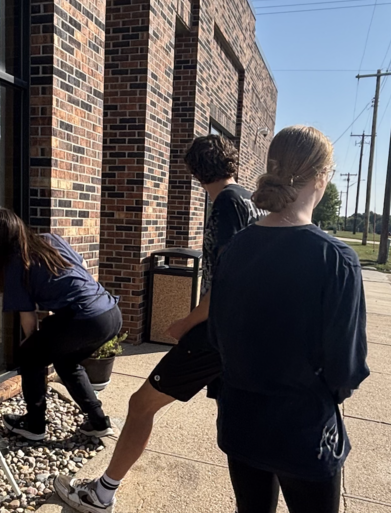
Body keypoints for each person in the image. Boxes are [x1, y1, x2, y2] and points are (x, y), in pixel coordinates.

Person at [55, 134, 263, 513]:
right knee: (239, 427)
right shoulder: (248, 198)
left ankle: (101, 494)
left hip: (218, 333)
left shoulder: (228, 204)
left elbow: (229, 280)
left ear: (195, 171)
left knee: (141, 404)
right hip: (241, 336)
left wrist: (187, 321)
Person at [210, 125, 369, 513]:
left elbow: (217, 335)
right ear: (322, 177)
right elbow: (346, 367)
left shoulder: (234, 248)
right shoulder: (336, 259)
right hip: (303, 431)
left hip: (241, 424)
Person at [0, 209, 122, 441]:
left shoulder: (15, 262)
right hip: (109, 312)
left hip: (83, 317)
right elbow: (82, 265)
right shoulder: (50, 239)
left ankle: (35, 425)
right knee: (66, 361)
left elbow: (28, 316)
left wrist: (31, 345)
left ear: (3, 237)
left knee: (29, 355)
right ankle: (98, 422)